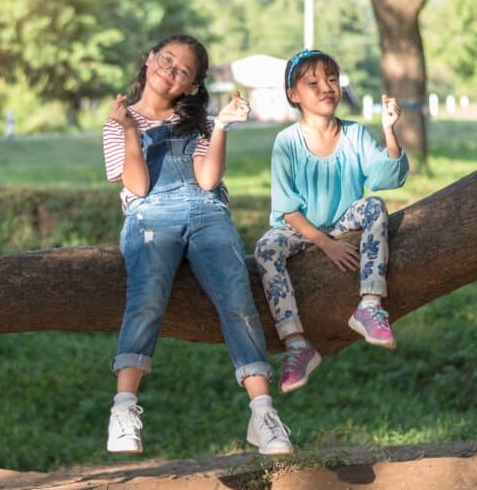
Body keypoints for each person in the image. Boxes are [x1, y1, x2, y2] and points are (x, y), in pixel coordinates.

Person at [101, 34, 293, 456]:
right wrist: (131, 131)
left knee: (237, 296)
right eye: (165, 61)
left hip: (207, 211)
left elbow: (207, 180)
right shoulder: (119, 122)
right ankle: (124, 407)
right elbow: (137, 185)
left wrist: (221, 125)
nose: (169, 72)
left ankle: (263, 413)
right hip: (150, 214)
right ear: (150, 60)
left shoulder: (198, 124)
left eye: (182, 71)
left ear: (191, 86)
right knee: (147, 297)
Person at [254, 49, 409, 394]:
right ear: (293, 95)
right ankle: (297, 345)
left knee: (374, 205)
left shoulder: (353, 134)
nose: (326, 87)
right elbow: (289, 210)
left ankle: (369, 306)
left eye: (332, 79)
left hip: (342, 220)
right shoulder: (286, 143)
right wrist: (327, 245)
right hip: (297, 228)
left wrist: (389, 131)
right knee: (265, 248)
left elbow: (387, 176)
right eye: (313, 83)